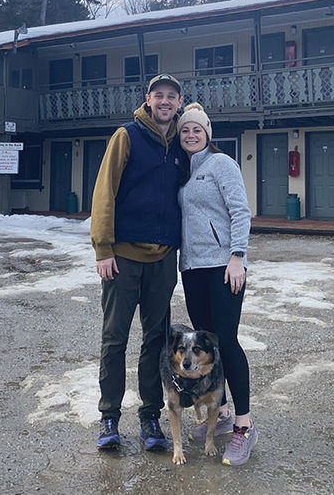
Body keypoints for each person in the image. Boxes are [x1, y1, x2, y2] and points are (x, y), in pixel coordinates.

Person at [91, 73, 184, 451]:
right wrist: (103, 248)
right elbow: (104, 192)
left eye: (171, 97)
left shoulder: (183, 144)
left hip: (163, 259)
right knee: (115, 338)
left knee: (156, 340)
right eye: (158, 95)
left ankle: (150, 417)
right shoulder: (126, 136)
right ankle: (109, 414)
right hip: (124, 257)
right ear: (147, 100)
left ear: (180, 103)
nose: (165, 101)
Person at [177, 102, 258, 466]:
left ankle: (243, 426)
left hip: (223, 267)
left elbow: (240, 210)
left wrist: (237, 255)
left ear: (207, 133)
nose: (191, 135)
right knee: (205, 342)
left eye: (197, 129)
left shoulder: (222, 164)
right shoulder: (185, 171)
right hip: (193, 268)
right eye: (185, 130)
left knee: (225, 342)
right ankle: (221, 414)